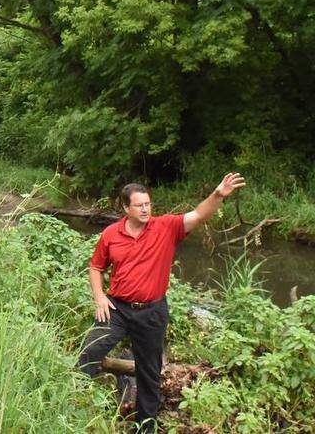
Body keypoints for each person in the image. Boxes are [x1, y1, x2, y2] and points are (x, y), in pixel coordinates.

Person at [78, 173, 246, 433]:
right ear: (125, 208)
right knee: (89, 352)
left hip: (152, 312)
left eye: (148, 204)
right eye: (139, 205)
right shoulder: (111, 234)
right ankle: (72, 405)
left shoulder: (165, 227)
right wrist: (99, 297)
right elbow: (95, 267)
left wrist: (218, 194)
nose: (145, 209)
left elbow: (199, 215)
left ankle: (146, 427)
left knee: (149, 372)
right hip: (117, 308)